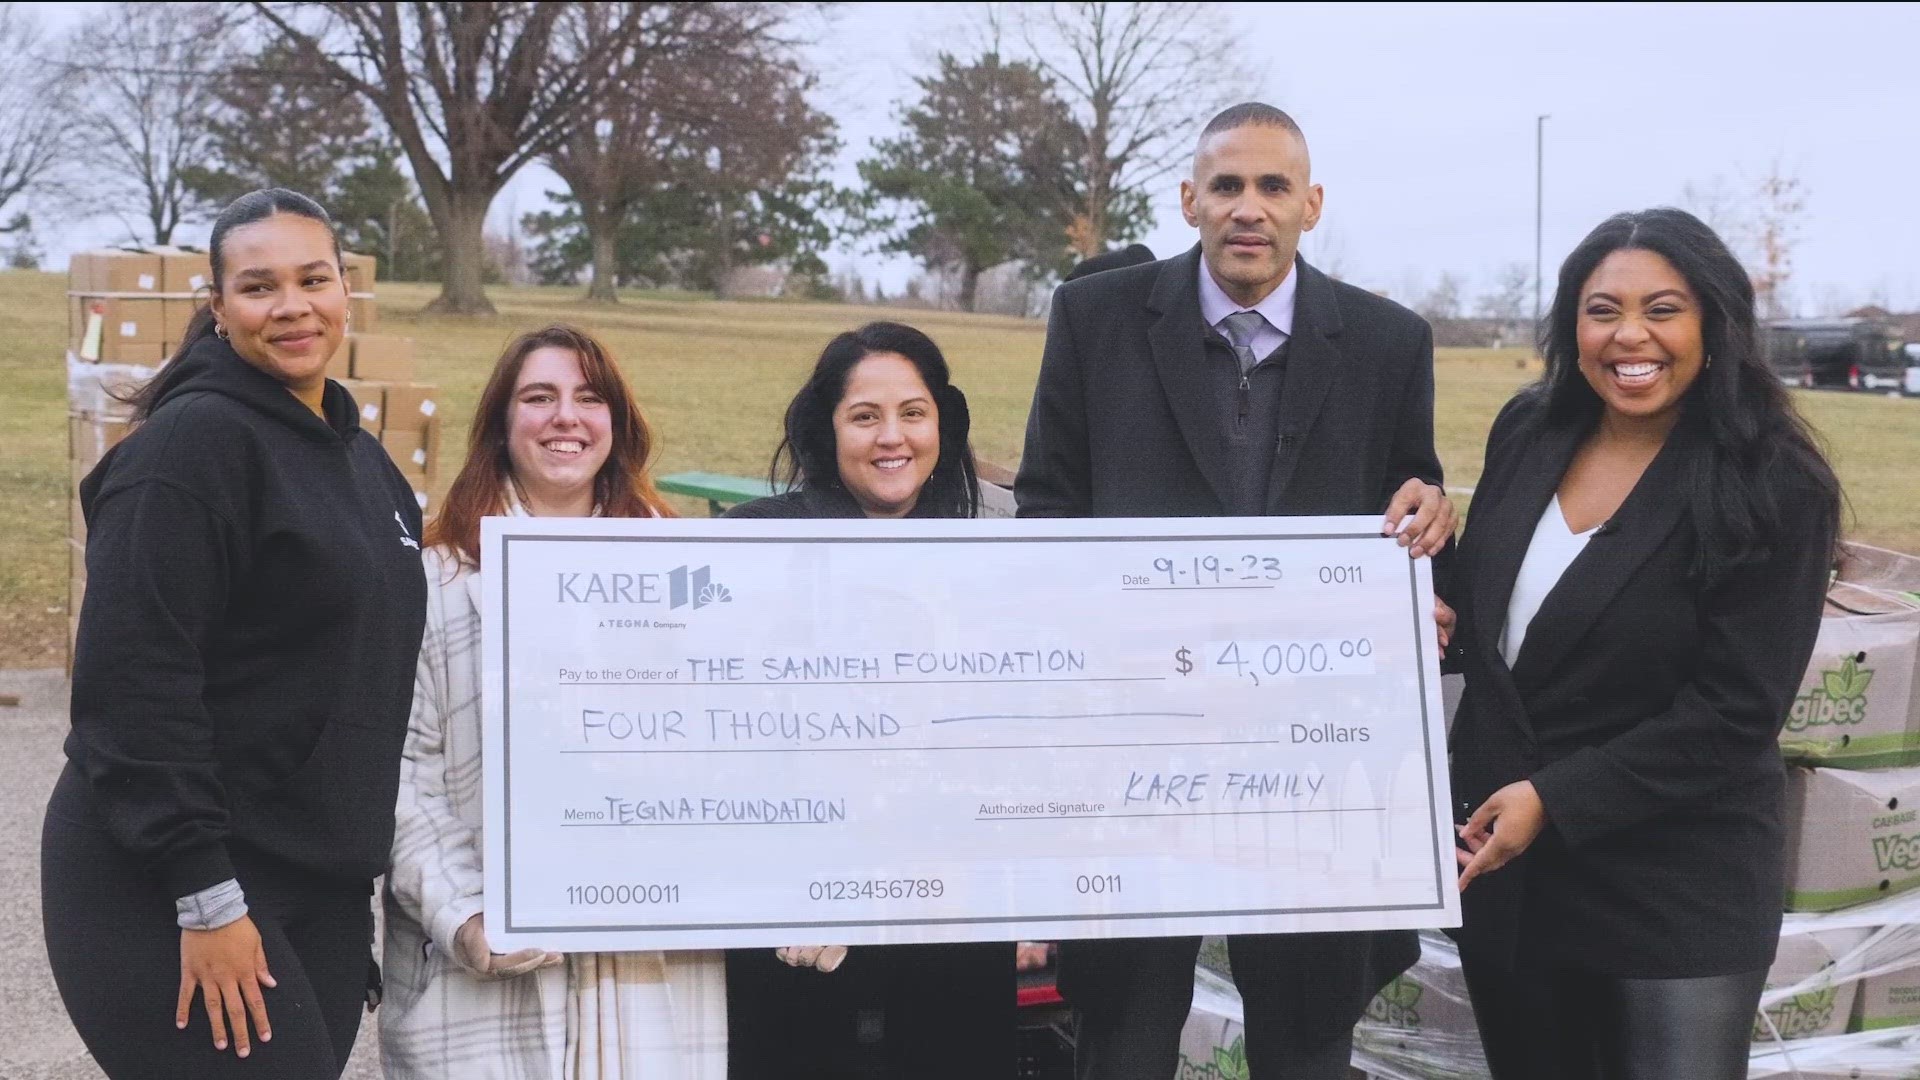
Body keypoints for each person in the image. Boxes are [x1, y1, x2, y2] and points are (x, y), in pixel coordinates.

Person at [1015, 102, 1455, 1079]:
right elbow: (1047, 514)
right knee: (1123, 1037)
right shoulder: (1097, 321)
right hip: (1137, 751)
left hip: (1314, 764)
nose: (1248, 209)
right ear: (1188, 201)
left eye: (1272, 187)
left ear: (1312, 204)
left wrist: (1430, 538)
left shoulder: (1389, 344)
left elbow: (1409, 514)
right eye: (1226, 186)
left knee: (1305, 1044)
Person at [1441, 208, 1841, 1079]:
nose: (1630, 335)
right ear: (1569, 323)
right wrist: (1432, 609)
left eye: (1663, 309)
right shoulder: (1529, 427)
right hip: (1512, 876)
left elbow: (1735, 711)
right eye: (1601, 310)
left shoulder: (1776, 483)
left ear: (1714, 324)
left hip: (1674, 882)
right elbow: (1501, 626)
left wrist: (1553, 797)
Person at [41, 188, 424, 1078]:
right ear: (218, 309)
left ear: (345, 293)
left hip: (313, 881)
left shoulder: (362, 463)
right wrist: (204, 896)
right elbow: (135, 686)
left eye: (312, 279)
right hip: (169, 877)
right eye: (259, 287)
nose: (292, 306)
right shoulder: (191, 451)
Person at [379, 324, 727, 1079]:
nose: (566, 417)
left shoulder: (694, 575)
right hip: (485, 980)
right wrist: (465, 913)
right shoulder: (434, 582)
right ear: (502, 426)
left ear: (617, 424)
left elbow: (742, 755)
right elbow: (401, 773)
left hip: (651, 968)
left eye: (588, 398)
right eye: (539, 397)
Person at [722, 321, 1014, 1078]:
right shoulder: (750, 548)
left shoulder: (995, 562)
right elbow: (724, 746)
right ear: (827, 427)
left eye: (913, 413)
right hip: (797, 931)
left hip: (951, 930)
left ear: (942, 424)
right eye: (865, 415)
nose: (893, 437)